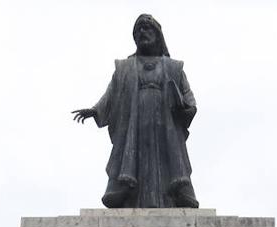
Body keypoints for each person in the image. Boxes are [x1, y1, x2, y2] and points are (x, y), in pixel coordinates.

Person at [71, 13, 200, 209]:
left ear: (158, 35)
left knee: (170, 155)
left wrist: (187, 109)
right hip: (134, 119)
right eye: (138, 30)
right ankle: (124, 187)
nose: (142, 32)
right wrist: (96, 110)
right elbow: (111, 93)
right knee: (131, 153)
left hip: (165, 122)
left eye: (147, 28)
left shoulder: (174, 67)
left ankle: (179, 190)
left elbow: (189, 98)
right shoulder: (124, 68)